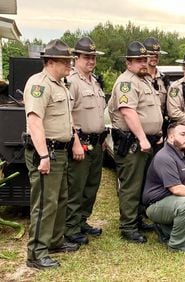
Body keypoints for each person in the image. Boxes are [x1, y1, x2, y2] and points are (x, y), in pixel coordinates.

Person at [24, 39, 79, 269]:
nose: (70, 64)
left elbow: (65, 119)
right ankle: (36, 253)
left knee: (59, 199)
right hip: (46, 151)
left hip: (60, 151)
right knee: (45, 203)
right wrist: (44, 156)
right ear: (50, 61)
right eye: (65, 61)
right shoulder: (39, 84)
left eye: (70, 60)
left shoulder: (60, 84)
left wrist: (74, 140)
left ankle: (55, 241)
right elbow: (34, 121)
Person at [107, 41, 163, 243]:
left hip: (148, 142)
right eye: (138, 60)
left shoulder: (144, 80)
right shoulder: (126, 82)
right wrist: (141, 137)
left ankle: (138, 219)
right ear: (128, 62)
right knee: (131, 185)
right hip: (133, 143)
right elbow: (128, 112)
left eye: (144, 59)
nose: (143, 63)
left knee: (142, 184)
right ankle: (128, 226)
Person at [143, 122, 185, 253]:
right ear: (170, 137)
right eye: (182, 134)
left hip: (179, 201)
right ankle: (177, 244)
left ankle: (165, 230)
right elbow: (176, 188)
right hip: (157, 204)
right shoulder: (164, 157)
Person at [65, 36, 107, 245]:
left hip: (96, 143)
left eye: (93, 57)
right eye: (87, 57)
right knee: (76, 188)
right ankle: (70, 228)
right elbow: (67, 114)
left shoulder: (95, 81)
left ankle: (82, 221)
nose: (91, 61)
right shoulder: (72, 82)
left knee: (91, 187)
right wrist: (74, 141)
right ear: (76, 58)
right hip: (80, 143)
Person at [143, 37, 169, 117]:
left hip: (160, 126)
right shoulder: (138, 78)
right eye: (151, 55)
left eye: (156, 55)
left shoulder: (164, 80)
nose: (154, 57)